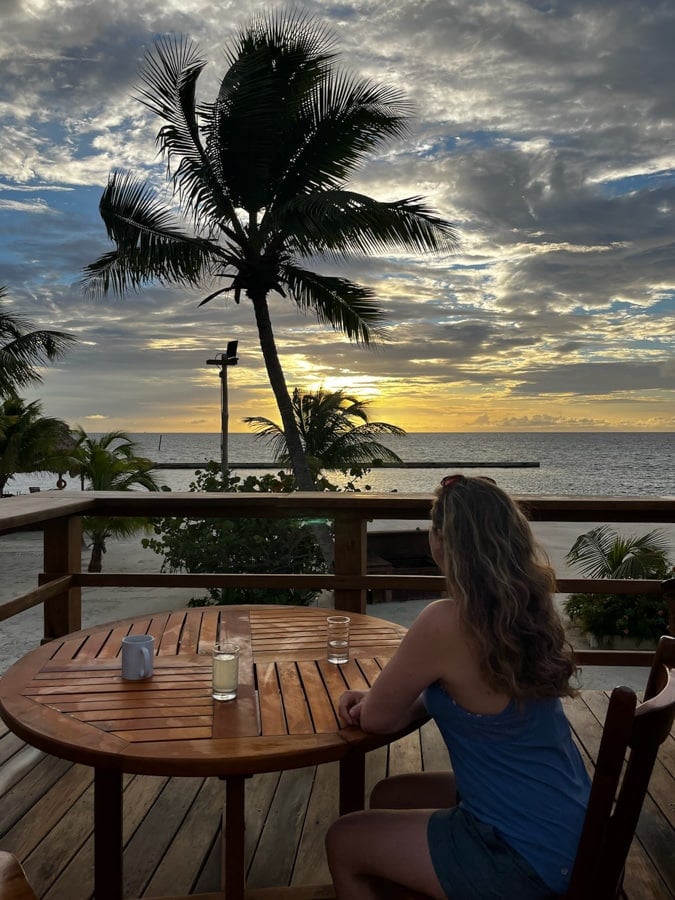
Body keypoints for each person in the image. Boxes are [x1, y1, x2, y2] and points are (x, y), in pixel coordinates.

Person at [325, 474, 591, 900]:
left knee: (344, 838)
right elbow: (460, 690)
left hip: (524, 858)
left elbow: (375, 720)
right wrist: (401, 699)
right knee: (390, 793)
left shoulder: (446, 621)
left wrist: (376, 702)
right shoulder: (528, 610)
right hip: (575, 830)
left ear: (441, 541)